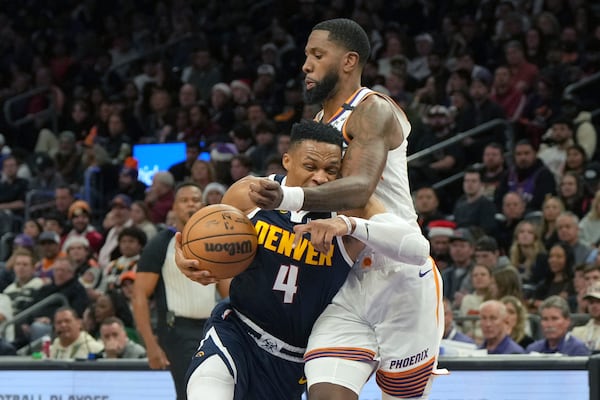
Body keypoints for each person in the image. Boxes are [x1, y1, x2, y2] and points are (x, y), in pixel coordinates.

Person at [244, 19, 443, 400]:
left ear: (349, 61)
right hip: (343, 278)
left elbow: (359, 188)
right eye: (305, 55)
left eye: (317, 55)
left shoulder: (373, 110)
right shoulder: (317, 127)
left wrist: (285, 198)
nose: (306, 65)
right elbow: (288, 188)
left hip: (398, 270)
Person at [132, 182, 229, 400]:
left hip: (212, 327)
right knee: (192, 392)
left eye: (195, 200)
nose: (191, 205)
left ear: (203, 205)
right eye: (184, 200)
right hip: (177, 329)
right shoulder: (160, 243)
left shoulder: (214, 242)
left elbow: (228, 292)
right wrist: (150, 344)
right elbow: (139, 295)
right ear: (174, 208)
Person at [526, 295, 590, 356]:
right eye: (545, 319)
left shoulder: (578, 349)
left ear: (567, 321)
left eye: (554, 319)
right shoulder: (532, 349)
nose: (549, 325)